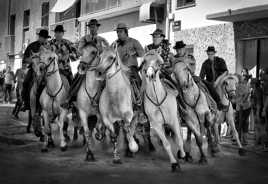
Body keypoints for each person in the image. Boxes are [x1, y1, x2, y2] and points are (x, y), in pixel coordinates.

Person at [61, 19, 109, 109]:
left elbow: (107, 51)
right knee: (78, 78)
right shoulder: (84, 39)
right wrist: (87, 48)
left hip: (99, 65)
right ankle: (70, 98)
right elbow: (79, 51)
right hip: (86, 64)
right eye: (91, 27)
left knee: (108, 79)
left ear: (97, 27)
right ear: (89, 28)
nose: (92, 28)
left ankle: (110, 101)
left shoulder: (102, 40)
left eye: (94, 26)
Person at [111, 23, 146, 120]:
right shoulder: (115, 44)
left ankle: (141, 109)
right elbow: (110, 54)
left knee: (138, 85)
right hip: (117, 70)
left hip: (131, 69)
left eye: (120, 31)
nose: (118, 33)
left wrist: (133, 52)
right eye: (117, 32)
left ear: (126, 32)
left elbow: (142, 53)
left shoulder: (134, 42)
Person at [20, 29, 51, 111]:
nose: (44, 39)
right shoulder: (31, 46)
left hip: (46, 70)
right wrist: (31, 60)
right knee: (25, 82)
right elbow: (24, 59)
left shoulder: (49, 47)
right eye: (43, 37)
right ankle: (25, 102)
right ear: (39, 37)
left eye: (46, 38)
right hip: (34, 69)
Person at [199, 46, 228, 110]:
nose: (210, 56)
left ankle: (229, 101)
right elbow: (201, 76)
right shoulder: (205, 63)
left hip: (220, 79)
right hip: (210, 82)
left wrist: (218, 80)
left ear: (214, 53)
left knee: (229, 85)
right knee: (207, 87)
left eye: (211, 54)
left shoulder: (220, 60)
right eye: (208, 54)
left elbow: (225, 71)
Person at [236, 68, 252, 145]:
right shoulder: (238, 84)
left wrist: (242, 101)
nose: (242, 75)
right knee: (238, 122)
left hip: (246, 106)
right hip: (239, 106)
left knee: (244, 122)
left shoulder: (247, 84)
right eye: (242, 73)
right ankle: (238, 139)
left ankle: (244, 140)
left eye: (244, 73)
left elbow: (247, 94)